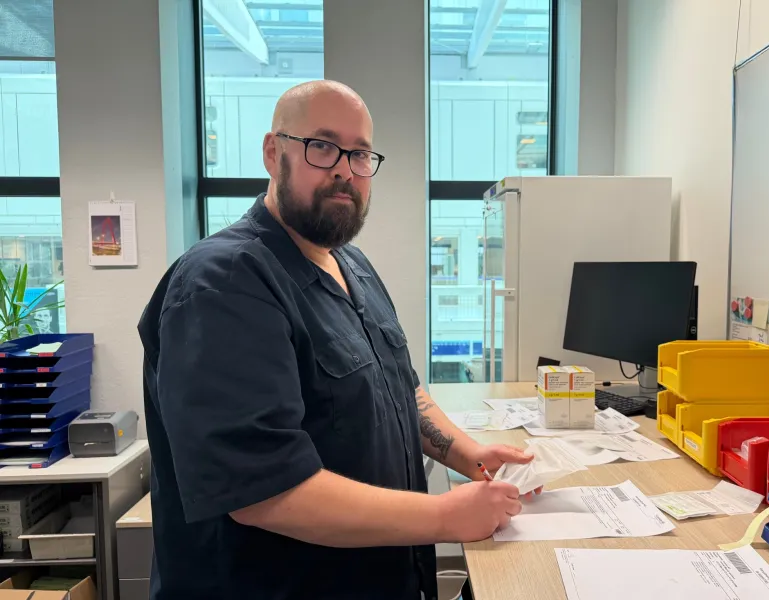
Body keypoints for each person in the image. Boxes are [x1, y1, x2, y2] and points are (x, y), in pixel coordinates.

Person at [137, 80, 536, 600]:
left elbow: (401, 391)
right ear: (273, 152)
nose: (345, 169)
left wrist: (469, 454)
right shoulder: (224, 283)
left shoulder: (352, 264)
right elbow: (263, 492)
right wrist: (444, 515)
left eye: (361, 153)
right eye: (322, 147)